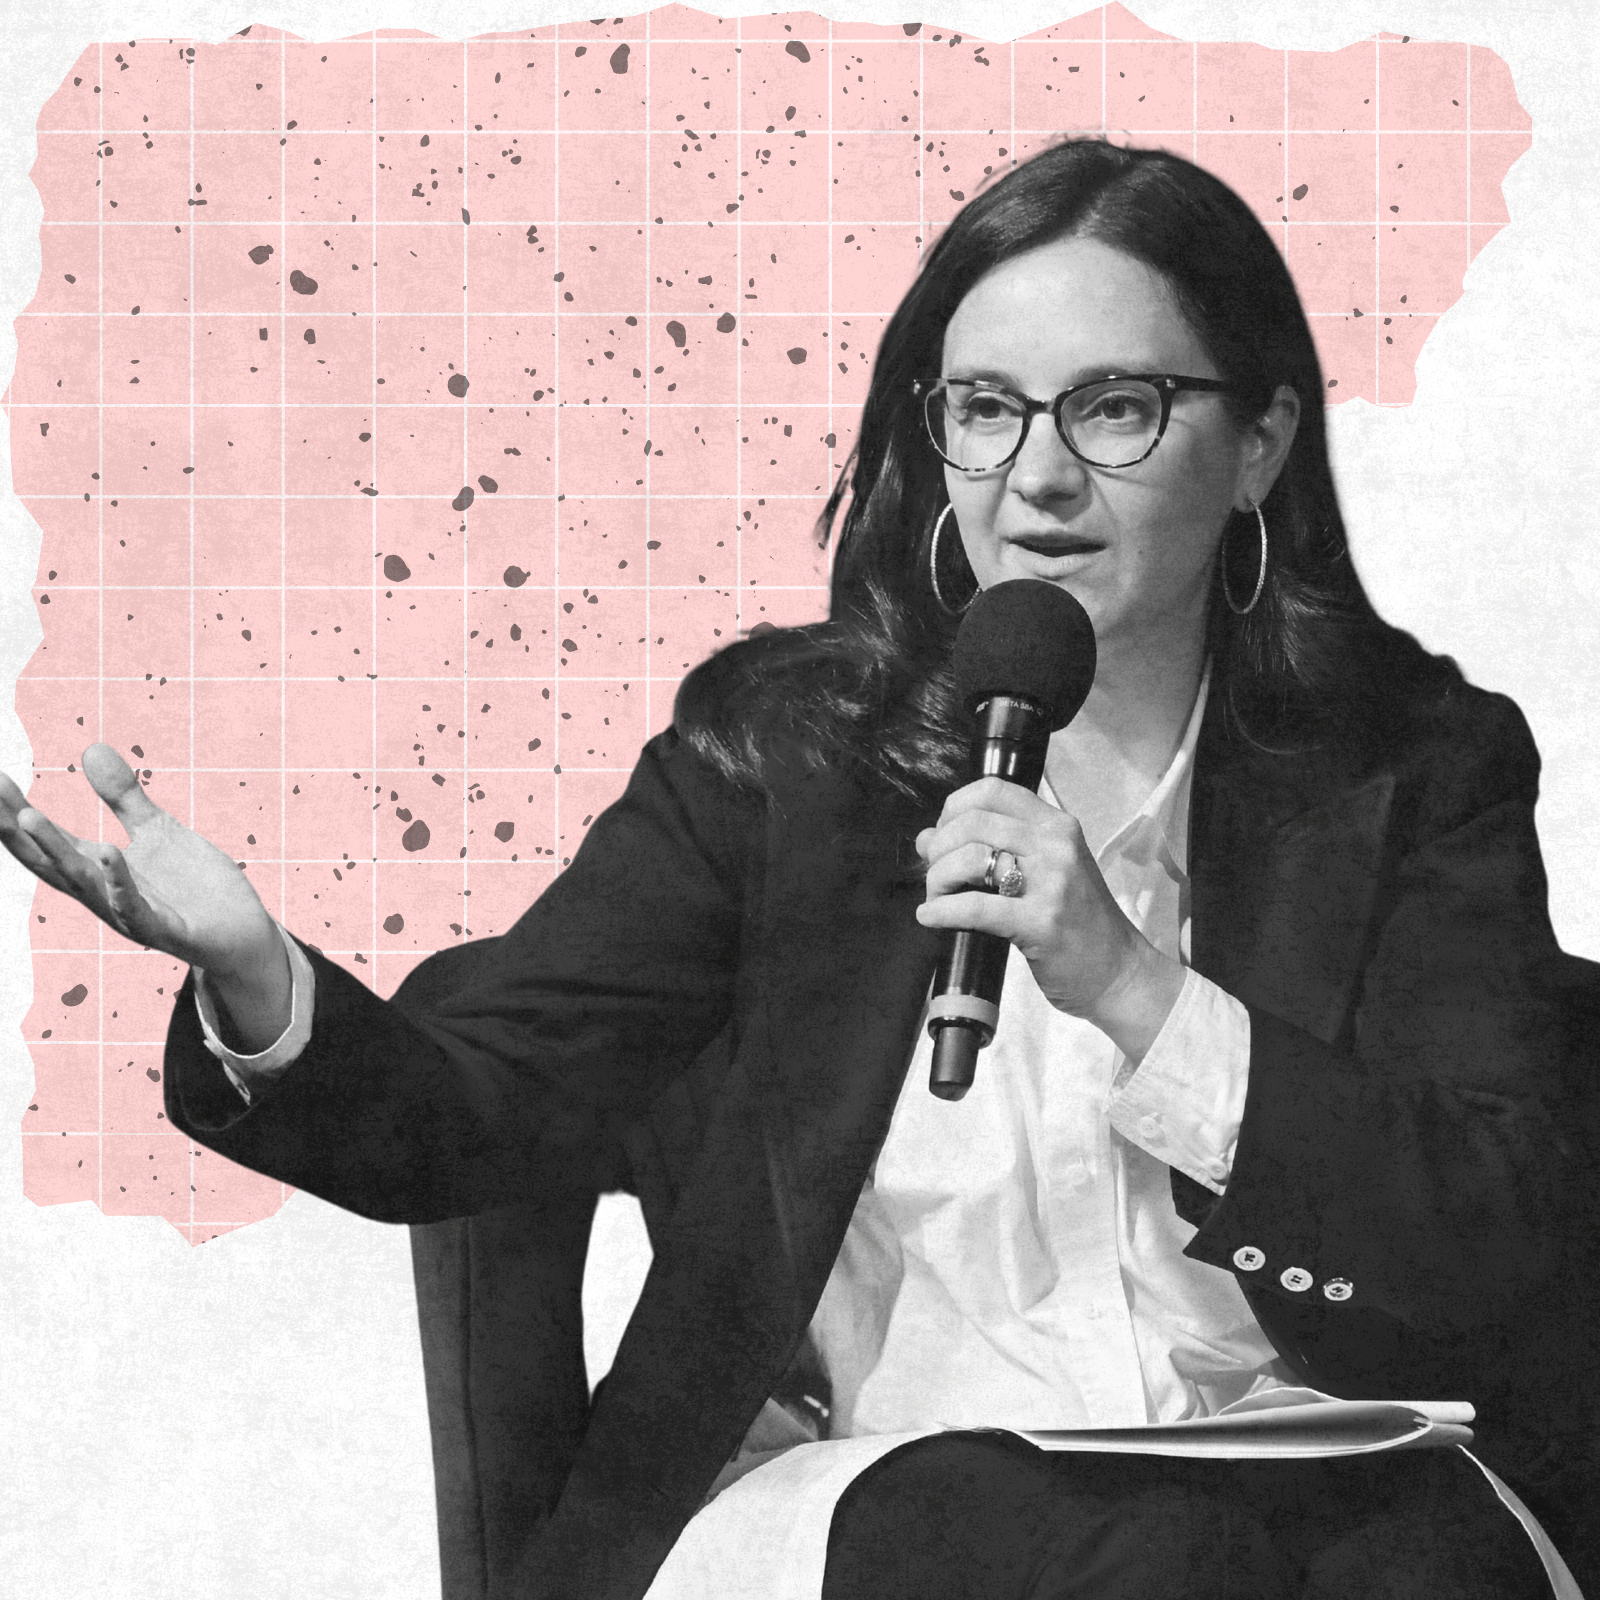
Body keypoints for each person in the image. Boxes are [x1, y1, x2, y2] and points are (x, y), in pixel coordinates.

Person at [0, 139, 1593, 1599]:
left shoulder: (1412, 772)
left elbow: (1501, 1222)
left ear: (1258, 444)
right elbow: (483, 1109)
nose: (1036, 479)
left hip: (1320, 1483)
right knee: (1138, 1569)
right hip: (897, 1489)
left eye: (1114, 408)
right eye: (985, 409)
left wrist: (1131, 985)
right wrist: (255, 981)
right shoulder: (783, 767)